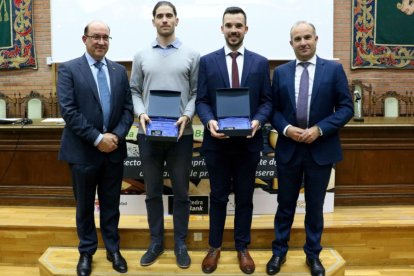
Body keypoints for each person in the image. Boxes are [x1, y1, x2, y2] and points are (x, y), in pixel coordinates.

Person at [266, 21, 353, 276]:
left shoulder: (334, 70)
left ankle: (313, 255)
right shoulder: (280, 73)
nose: (303, 42)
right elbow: (274, 109)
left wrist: (320, 129)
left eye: (307, 37)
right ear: (291, 43)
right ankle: (278, 252)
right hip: (289, 149)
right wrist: (286, 129)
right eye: (297, 39)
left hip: (321, 148)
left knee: (315, 206)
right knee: (285, 204)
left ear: (316, 39)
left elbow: (346, 108)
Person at [196, 6, 272, 275]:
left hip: (248, 143)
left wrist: (258, 121)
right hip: (216, 143)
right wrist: (208, 121)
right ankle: (214, 247)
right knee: (217, 196)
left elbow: (266, 102)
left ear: (246, 29)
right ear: (222, 28)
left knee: (244, 198)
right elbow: (201, 100)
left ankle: (242, 247)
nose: (234, 30)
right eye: (229, 25)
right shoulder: (207, 62)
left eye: (238, 25)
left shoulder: (260, 63)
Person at [57, 20, 133, 276]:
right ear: (85, 39)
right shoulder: (68, 70)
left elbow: (127, 110)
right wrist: (98, 138)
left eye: (106, 37)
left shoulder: (119, 71)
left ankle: (113, 249)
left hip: (113, 151)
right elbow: (69, 111)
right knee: (85, 206)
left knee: (111, 205)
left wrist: (116, 136)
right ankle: (86, 252)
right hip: (83, 153)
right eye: (96, 37)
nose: (101, 42)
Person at [129, 1, 199, 269]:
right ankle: (156, 241)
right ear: (154, 21)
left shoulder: (192, 55)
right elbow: (134, 90)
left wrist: (187, 115)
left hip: (181, 134)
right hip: (149, 133)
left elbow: (195, 92)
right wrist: (141, 113)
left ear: (177, 21)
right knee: (152, 192)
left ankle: (180, 243)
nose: (165, 20)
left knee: (181, 192)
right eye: (160, 16)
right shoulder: (141, 55)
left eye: (169, 15)